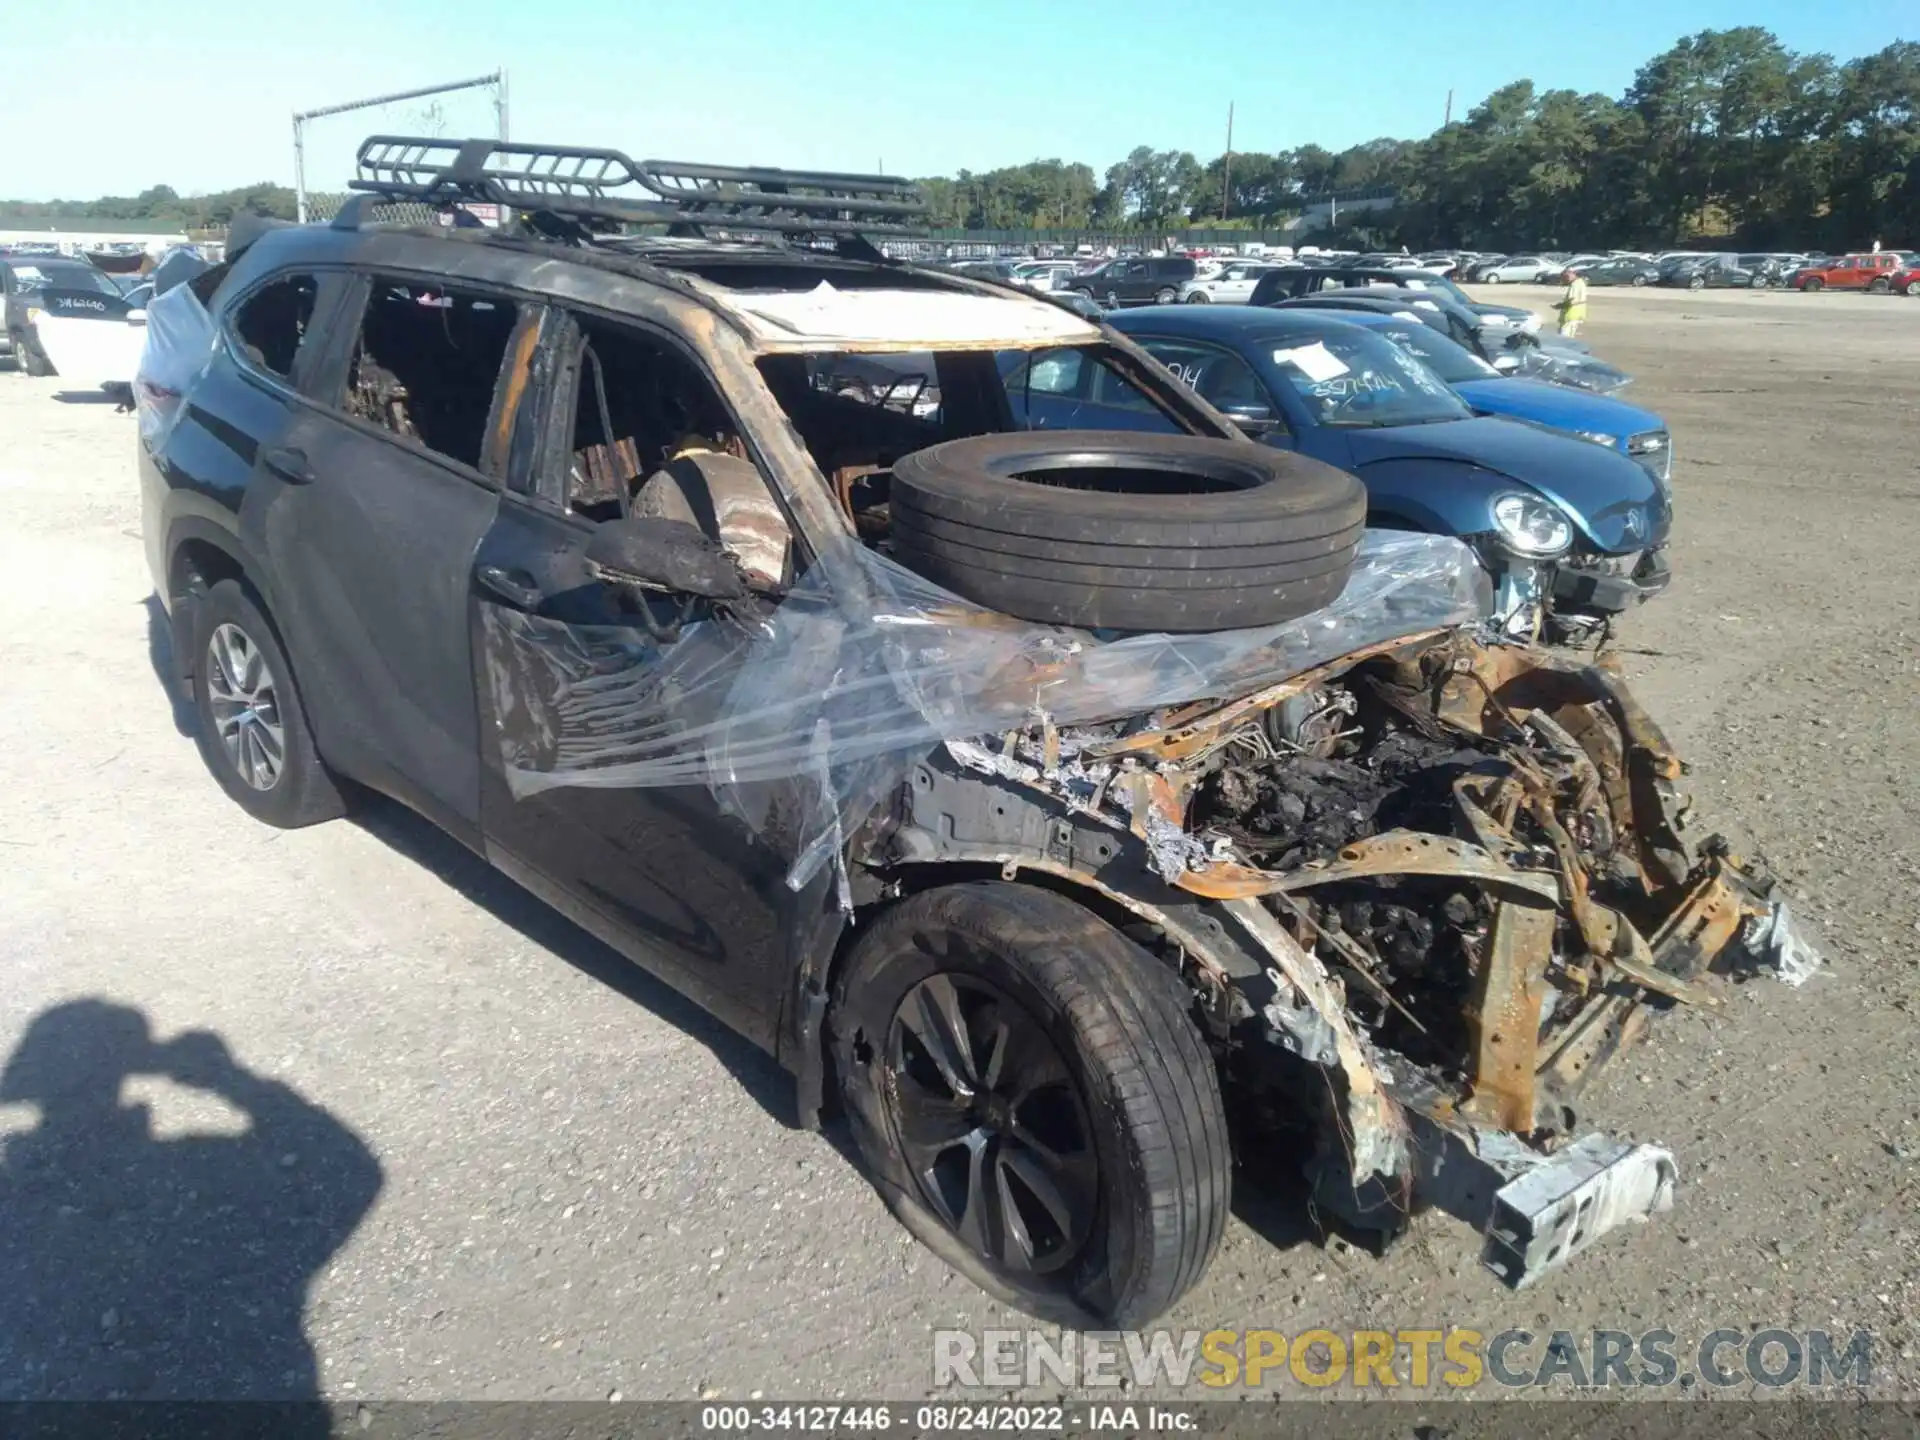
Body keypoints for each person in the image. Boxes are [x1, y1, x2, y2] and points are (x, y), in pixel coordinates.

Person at [1556, 268, 1589, 338]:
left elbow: (1571, 301)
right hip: (1576, 315)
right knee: (1568, 337)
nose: (1565, 280)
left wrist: (1559, 306)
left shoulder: (1575, 284)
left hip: (1570, 316)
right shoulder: (1581, 282)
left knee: (1563, 339)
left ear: (1571, 274)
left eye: (1565, 277)